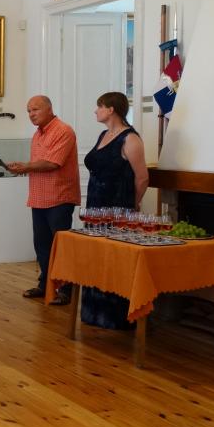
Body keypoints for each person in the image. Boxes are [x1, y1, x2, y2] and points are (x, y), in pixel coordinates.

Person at [80, 91, 149, 328]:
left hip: (118, 208)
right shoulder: (103, 135)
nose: (95, 110)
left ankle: (116, 316)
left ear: (111, 110)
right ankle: (94, 313)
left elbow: (142, 178)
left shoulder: (130, 139)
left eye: (99, 106)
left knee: (115, 260)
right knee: (96, 258)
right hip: (96, 207)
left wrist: (133, 204)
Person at [6, 95, 81, 305]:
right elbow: (38, 165)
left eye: (35, 109)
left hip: (59, 197)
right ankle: (46, 284)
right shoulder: (37, 134)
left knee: (60, 246)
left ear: (49, 109)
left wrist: (25, 166)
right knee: (42, 245)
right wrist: (23, 168)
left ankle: (65, 289)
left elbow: (52, 163)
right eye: (29, 111)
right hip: (39, 197)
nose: (31, 114)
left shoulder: (63, 131)